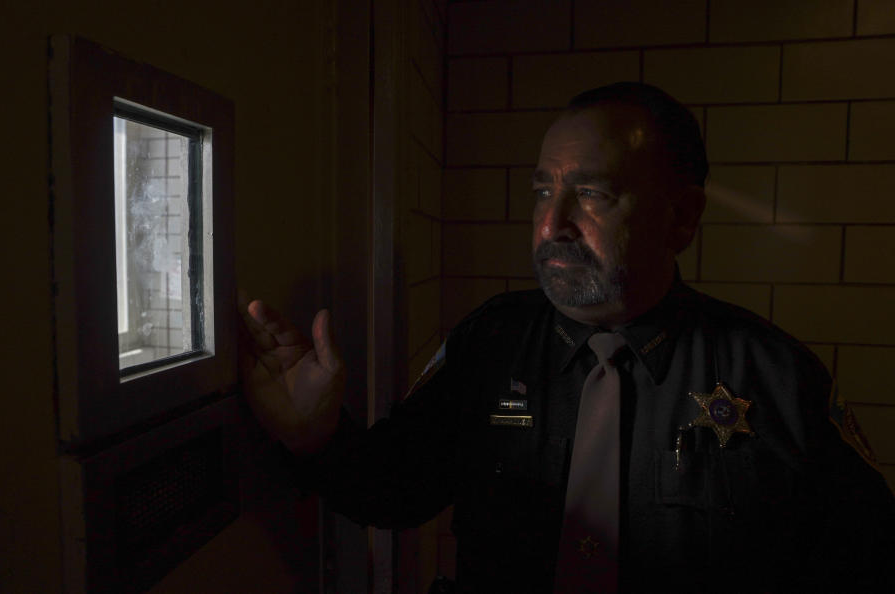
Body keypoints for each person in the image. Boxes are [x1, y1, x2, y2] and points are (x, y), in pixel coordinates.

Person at [239, 83, 895, 593]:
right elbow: (396, 490)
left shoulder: (777, 381)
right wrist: (317, 436)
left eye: (593, 195)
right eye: (542, 190)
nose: (552, 223)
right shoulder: (488, 345)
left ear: (682, 217)